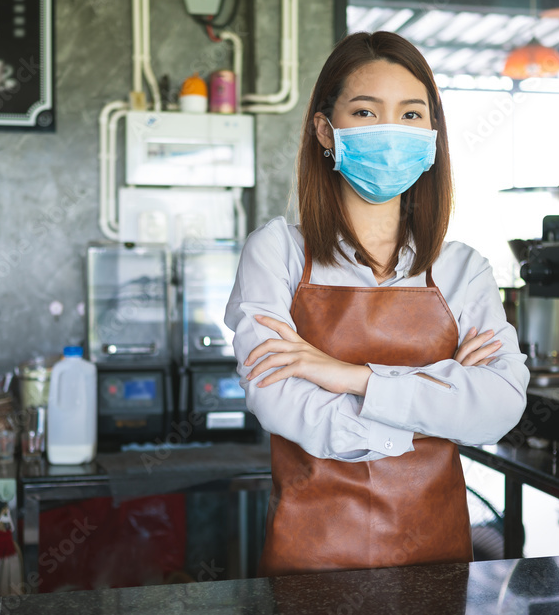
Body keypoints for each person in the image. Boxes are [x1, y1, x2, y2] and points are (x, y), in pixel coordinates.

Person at [224, 31, 529, 577]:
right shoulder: (278, 253)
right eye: (366, 111)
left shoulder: (462, 268)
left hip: (437, 557)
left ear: (433, 134)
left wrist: (348, 376)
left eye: (411, 115)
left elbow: (501, 409)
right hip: (312, 558)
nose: (391, 132)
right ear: (326, 129)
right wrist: (442, 401)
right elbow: (278, 401)